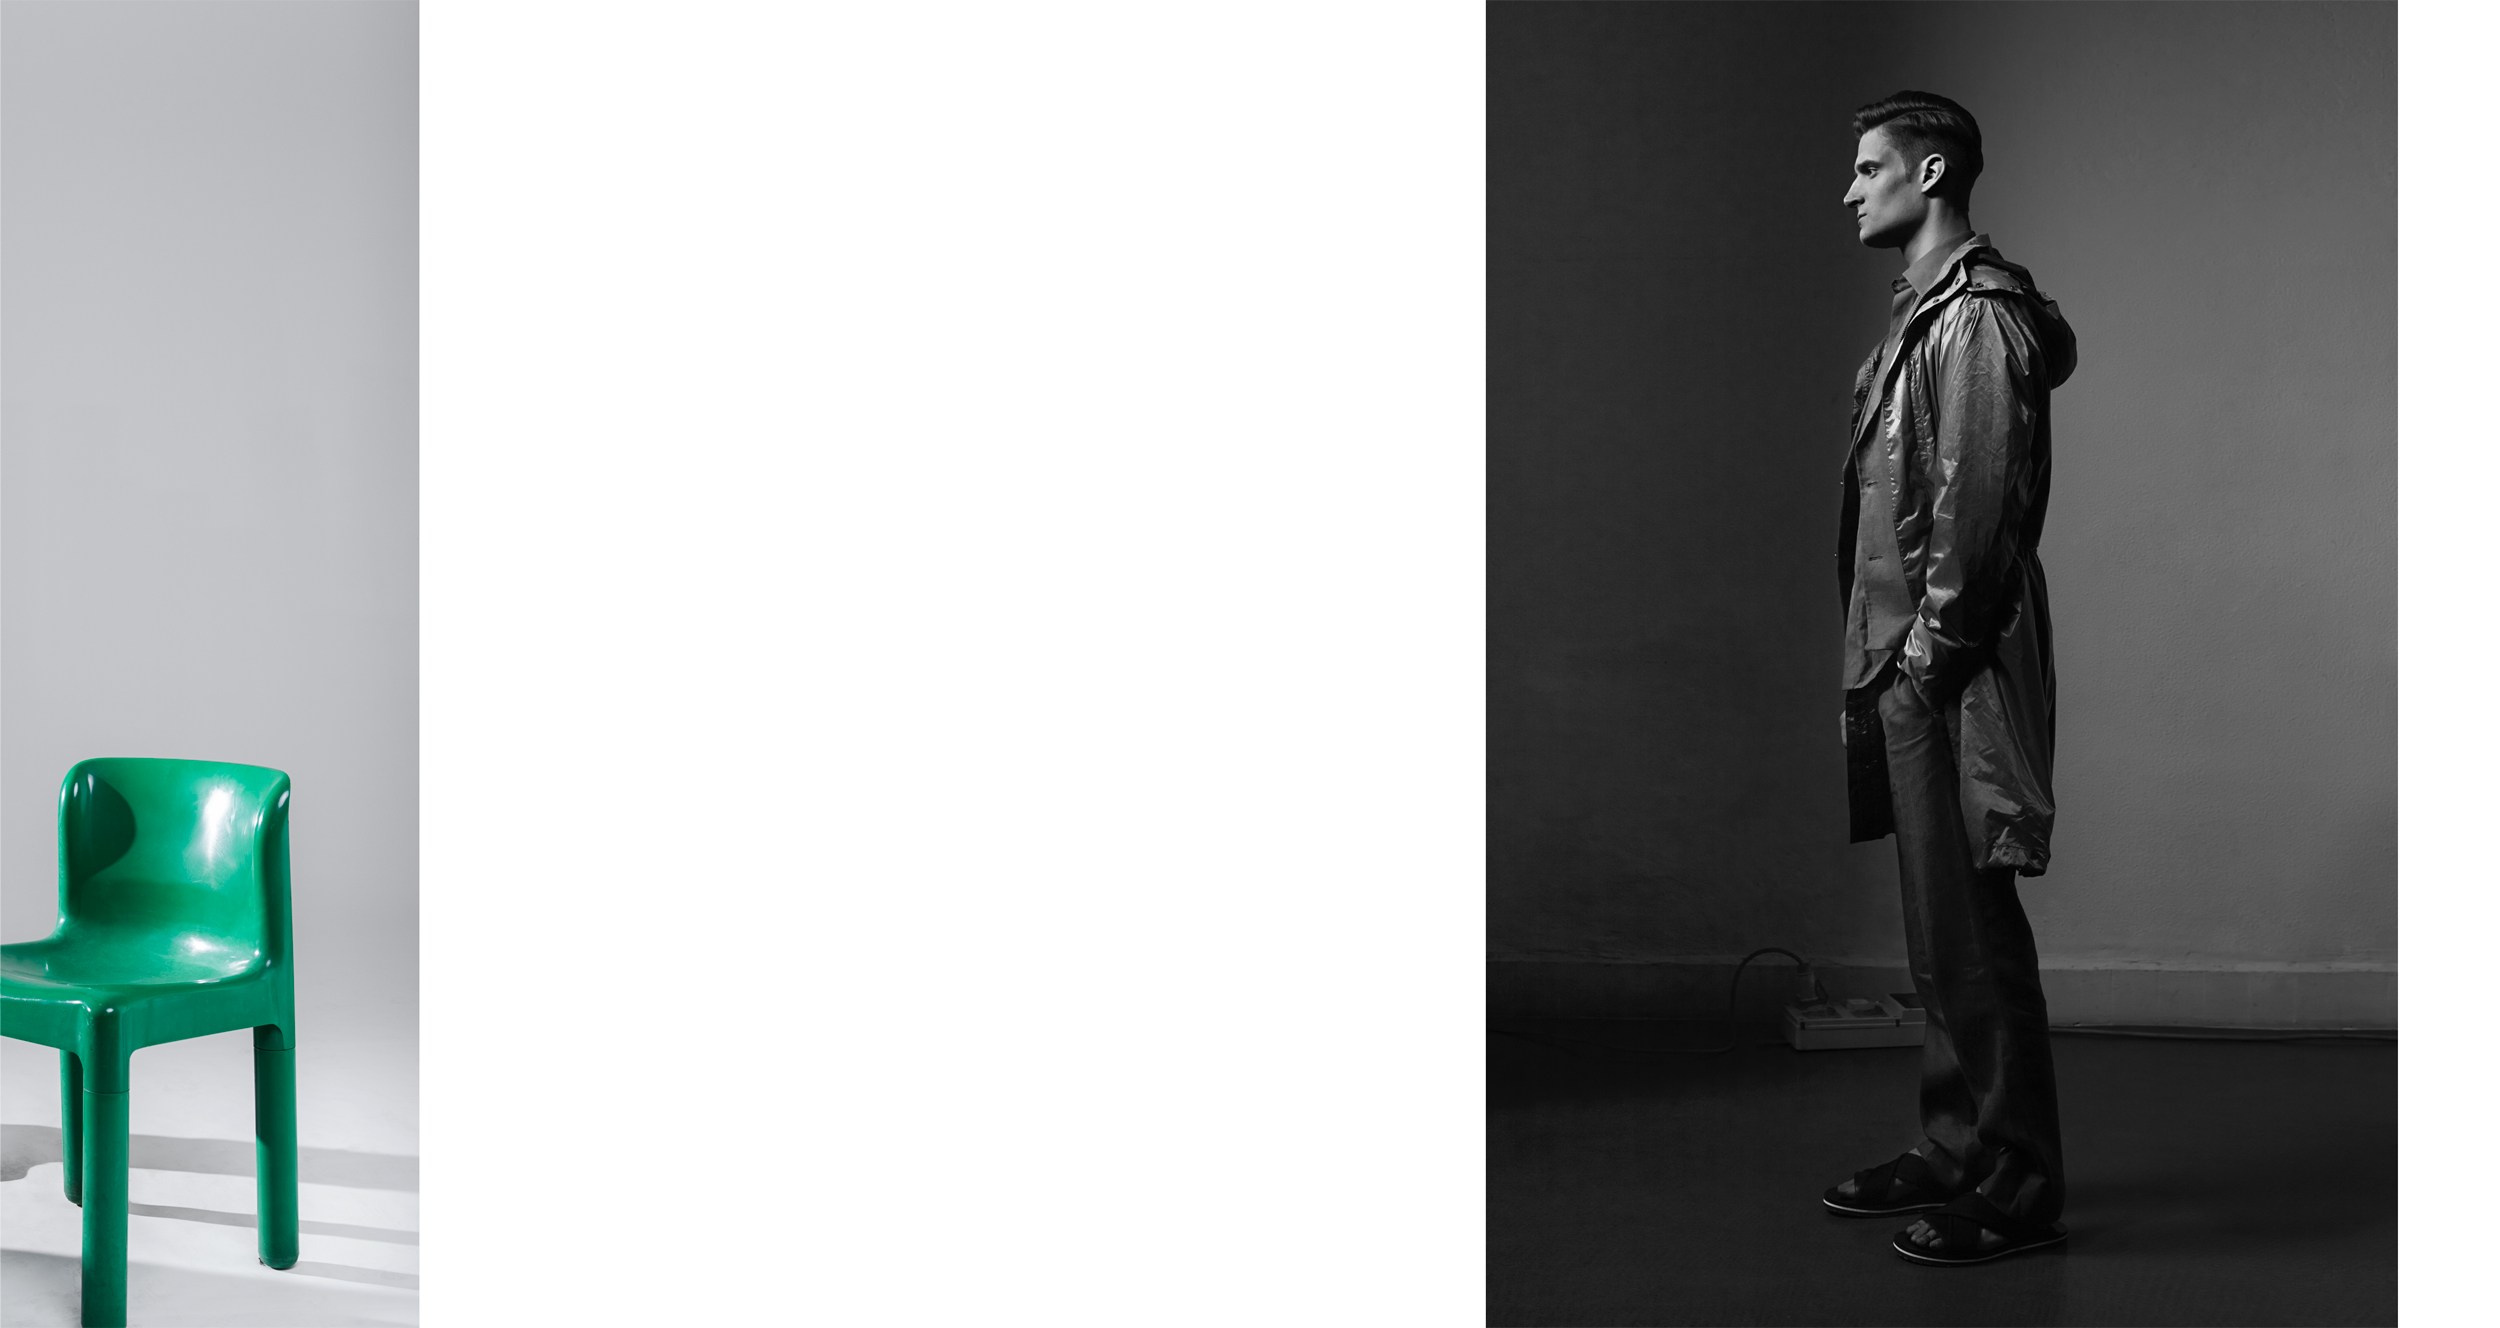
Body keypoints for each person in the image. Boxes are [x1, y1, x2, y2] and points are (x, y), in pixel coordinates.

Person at [1818, 90, 2078, 1266]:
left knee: (1973, 925)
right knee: (1938, 930)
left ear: (1928, 174)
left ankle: (2016, 1178)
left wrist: (1923, 661)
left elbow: (1974, 512)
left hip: (1944, 663)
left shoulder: (1973, 317)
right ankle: (1955, 1142)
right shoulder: (1919, 311)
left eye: (1868, 168)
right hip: (1905, 661)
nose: (1849, 189)